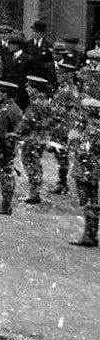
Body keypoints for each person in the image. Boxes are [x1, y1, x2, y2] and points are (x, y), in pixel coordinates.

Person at [17, 76, 55, 204]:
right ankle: (35, 192)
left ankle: (34, 194)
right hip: (40, 138)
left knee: (31, 164)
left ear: (35, 89)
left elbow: (26, 122)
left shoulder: (35, 104)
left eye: (29, 86)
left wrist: (18, 132)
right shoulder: (45, 102)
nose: (26, 88)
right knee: (35, 164)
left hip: (32, 138)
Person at [68, 96, 100, 247]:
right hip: (93, 169)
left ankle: (89, 236)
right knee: (92, 201)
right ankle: (91, 234)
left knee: (88, 202)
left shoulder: (91, 129)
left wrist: (74, 147)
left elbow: (83, 151)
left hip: (86, 170)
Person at [0, 81, 23, 215]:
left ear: (5, 93)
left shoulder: (6, 110)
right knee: (7, 175)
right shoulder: (15, 108)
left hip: (3, 148)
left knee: (4, 176)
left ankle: (6, 205)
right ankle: (6, 204)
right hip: (9, 147)